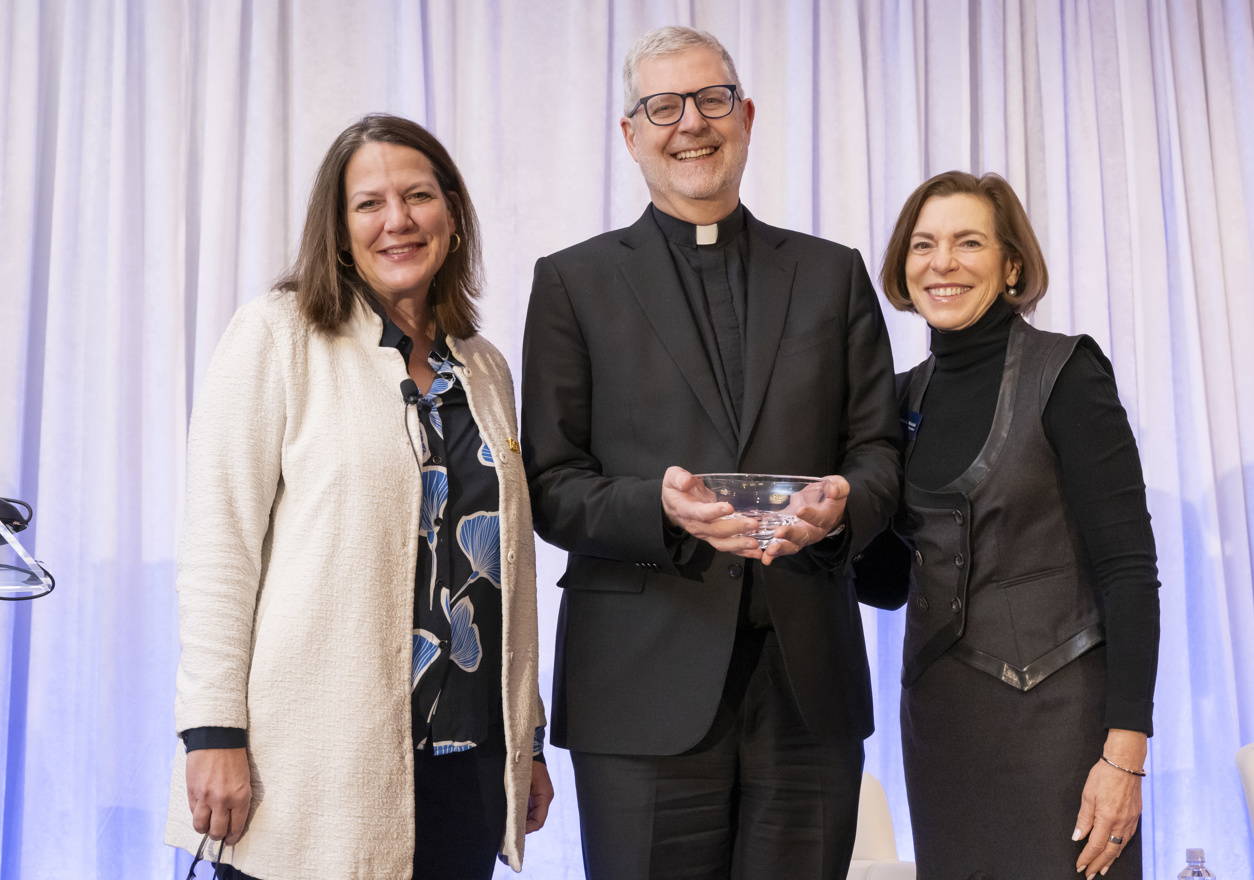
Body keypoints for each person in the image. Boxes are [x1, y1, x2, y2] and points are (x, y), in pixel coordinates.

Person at [520, 25, 902, 880]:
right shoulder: (573, 283)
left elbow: (878, 449)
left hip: (807, 682)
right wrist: (654, 505)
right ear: (631, 133)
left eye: (711, 100)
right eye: (663, 105)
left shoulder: (831, 273)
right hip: (640, 686)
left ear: (746, 115)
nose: (690, 123)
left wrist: (844, 509)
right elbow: (549, 484)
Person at [164, 113, 552, 880]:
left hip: (466, 764)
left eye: (417, 197)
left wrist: (525, 741)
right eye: (368, 203)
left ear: (453, 216)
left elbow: (510, 575)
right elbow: (219, 550)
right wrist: (212, 733)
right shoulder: (277, 338)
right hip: (313, 761)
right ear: (339, 233)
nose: (397, 220)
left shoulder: (485, 369)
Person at [854, 170, 1160, 879]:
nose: (943, 263)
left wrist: (1126, 753)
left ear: (1011, 263)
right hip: (941, 728)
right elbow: (890, 584)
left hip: (1063, 730)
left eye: (968, 243)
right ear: (904, 265)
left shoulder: (1068, 372)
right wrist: (827, 514)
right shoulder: (898, 402)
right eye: (923, 245)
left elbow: (1129, 569)